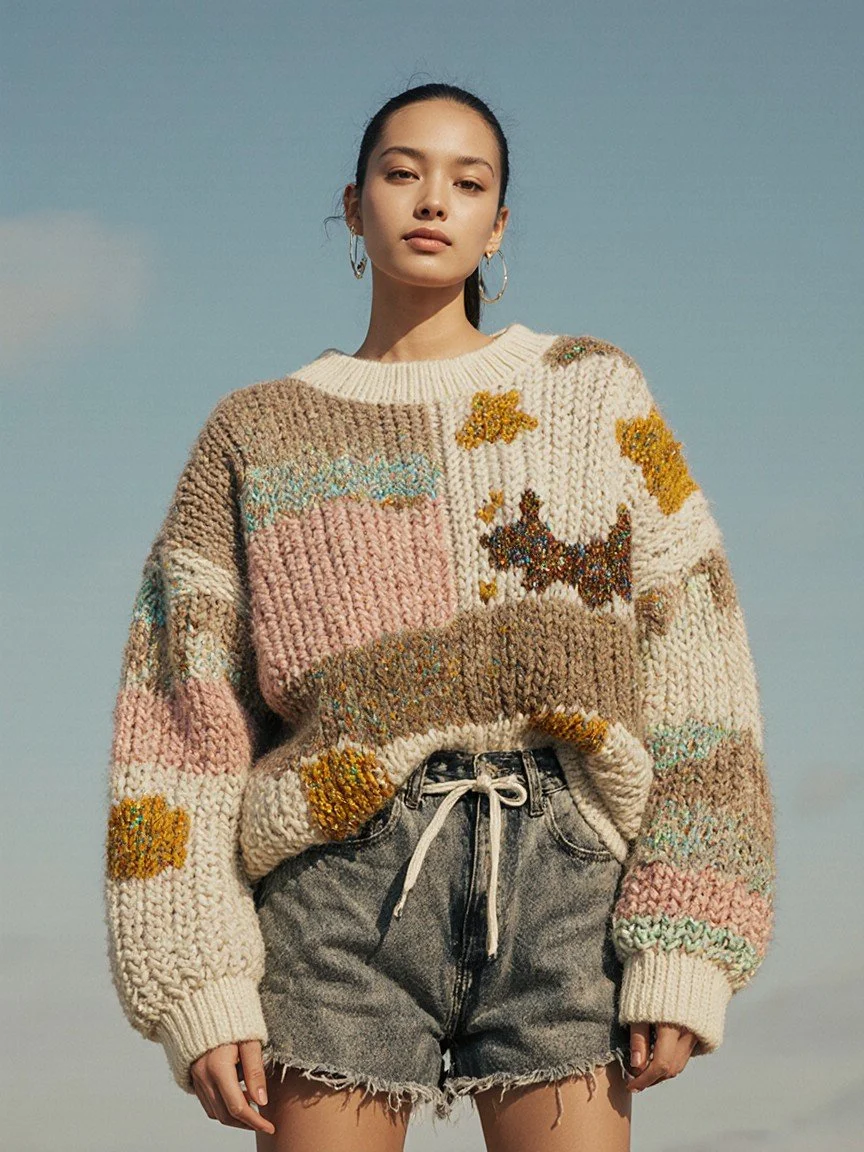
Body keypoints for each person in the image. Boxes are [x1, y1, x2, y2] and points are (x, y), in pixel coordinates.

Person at [103, 82, 777, 1152]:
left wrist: (688, 934)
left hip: (568, 885)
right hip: (337, 891)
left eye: (469, 183)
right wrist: (198, 981)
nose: (433, 200)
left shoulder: (592, 391)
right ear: (354, 202)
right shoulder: (254, 432)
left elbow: (698, 665)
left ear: (498, 223)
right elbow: (180, 726)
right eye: (402, 171)